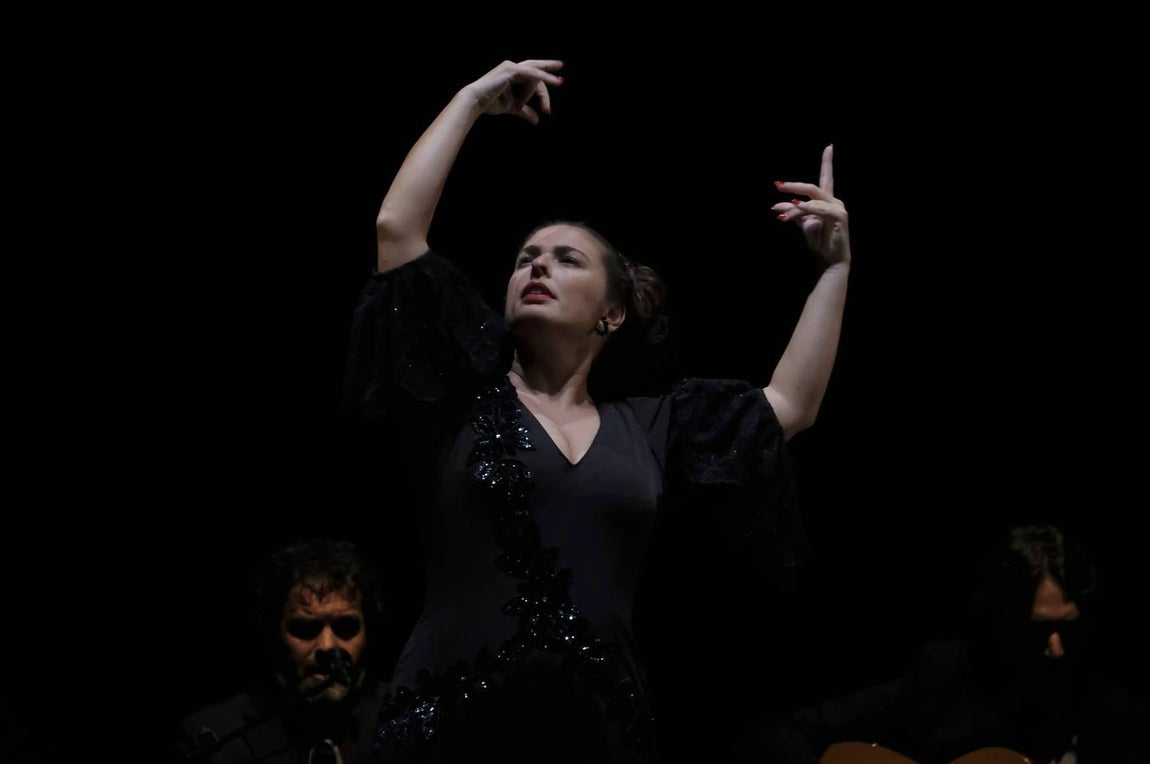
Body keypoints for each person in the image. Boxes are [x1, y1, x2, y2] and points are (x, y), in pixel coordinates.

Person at [344, 57, 850, 763]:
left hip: (597, 727)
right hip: (449, 725)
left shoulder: (648, 424)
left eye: (565, 259)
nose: (537, 266)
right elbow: (397, 229)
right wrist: (470, 100)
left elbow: (790, 404)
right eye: (526, 258)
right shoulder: (460, 397)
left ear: (612, 315)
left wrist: (834, 269)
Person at [736, 523, 1150, 764]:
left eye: (1070, 629)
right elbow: (780, 732)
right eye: (1038, 631)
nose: (1057, 648)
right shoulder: (946, 676)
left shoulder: (1118, 721)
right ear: (1002, 623)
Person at [174, 537, 390, 763]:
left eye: (345, 628)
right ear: (273, 633)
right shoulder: (215, 739)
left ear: (368, 632)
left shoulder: (404, 716)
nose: (327, 646)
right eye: (305, 629)